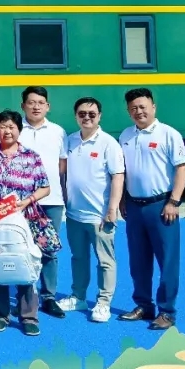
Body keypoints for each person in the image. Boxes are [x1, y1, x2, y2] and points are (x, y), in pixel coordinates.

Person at [118, 88, 185, 331]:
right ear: (128, 111)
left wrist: (174, 202)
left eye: (143, 107)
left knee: (167, 261)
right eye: (133, 108)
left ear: (153, 107)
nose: (139, 111)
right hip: (134, 207)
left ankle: (167, 311)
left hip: (161, 206)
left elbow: (182, 168)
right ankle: (143, 305)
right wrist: (122, 199)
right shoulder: (126, 135)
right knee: (138, 261)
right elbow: (123, 171)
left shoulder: (169, 134)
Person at [0, 111, 51, 337]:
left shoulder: (31, 156)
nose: (7, 131)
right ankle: (0, 314)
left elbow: (45, 187)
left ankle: (28, 317)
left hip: (23, 219)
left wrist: (27, 201)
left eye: (11, 127)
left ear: (19, 130)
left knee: (25, 264)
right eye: (3, 126)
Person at [59, 97, 123, 323]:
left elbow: (118, 177)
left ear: (99, 116)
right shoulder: (70, 140)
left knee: (105, 261)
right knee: (78, 257)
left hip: (100, 216)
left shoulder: (108, 143)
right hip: (74, 215)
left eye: (92, 114)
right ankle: (78, 297)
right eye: (82, 114)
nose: (87, 117)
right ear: (76, 116)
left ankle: (104, 303)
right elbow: (62, 172)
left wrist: (112, 208)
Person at [18, 86, 68, 319]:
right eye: (31, 102)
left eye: (40, 103)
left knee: (49, 249)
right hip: (21, 203)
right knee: (23, 249)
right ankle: (27, 296)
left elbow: (62, 166)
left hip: (52, 200)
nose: (36, 107)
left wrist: (62, 194)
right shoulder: (16, 129)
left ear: (48, 106)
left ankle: (49, 296)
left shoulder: (58, 132)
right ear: (23, 106)